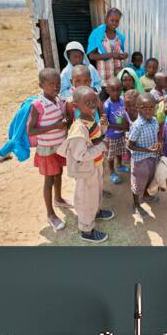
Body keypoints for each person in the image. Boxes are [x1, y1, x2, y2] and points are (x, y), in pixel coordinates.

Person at [58, 86, 115, 243]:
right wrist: (102, 146)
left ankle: (95, 212)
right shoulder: (79, 128)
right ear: (76, 107)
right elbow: (80, 154)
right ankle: (86, 229)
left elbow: (95, 138)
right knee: (86, 199)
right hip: (86, 171)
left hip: (95, 166)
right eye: (87, 102)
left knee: (95, 193)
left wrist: (103, 126)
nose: (92, 104)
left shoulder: (90, 119)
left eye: (94, 100)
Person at [27, 68, 72, 231]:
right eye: (51, 84)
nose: (55, 87)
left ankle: (59, 198)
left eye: (58, 84)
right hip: (46, 149)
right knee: (49, 180)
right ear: (41, 85)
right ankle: (50, 214)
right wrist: (54, 126)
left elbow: (62, 119)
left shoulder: (58, 100)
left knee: (59, 173)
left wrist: (66, 120)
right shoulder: (38, 106)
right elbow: (31, 130)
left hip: (59, 146)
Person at [126, 90, 162, 217]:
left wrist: (158, 145)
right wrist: (148, 150)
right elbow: (130, 145)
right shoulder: (137, 126)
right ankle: (135, 204)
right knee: (138, 182)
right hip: (140, 161)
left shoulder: (154, 121)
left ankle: (146, 196)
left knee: (150, 178)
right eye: (144, 108)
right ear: (138, 108)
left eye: (151, 107)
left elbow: (156, 135)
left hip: (153, 157)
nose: (148, 110)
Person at [86, 8, 128, 89]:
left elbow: (118, 53)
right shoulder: (97, 34)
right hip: (103, 79)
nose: (114, 23)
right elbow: (92, 56)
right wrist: (111, 55)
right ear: (106, 19)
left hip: (117, 79)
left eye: (117, 21)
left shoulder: (120, 37)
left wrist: (123, 55)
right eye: (112, 20)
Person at [102, 78, 131, 183]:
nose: (116, 93)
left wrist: (125, 126)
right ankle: (112, 172)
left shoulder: (123, 101)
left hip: (121, 134)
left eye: (118, 90)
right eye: (113, 90)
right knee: (110, 155)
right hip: (111, 135)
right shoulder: (106, 105)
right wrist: (120, 127)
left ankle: (119, 165)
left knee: (120, 151)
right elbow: (106, 124)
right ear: (107, 90)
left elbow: (126, 113)